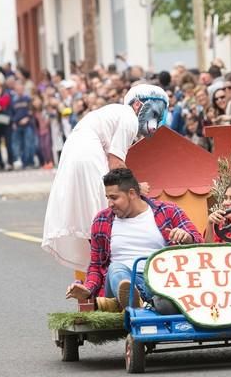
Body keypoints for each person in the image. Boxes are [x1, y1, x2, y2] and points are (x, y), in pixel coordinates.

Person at [42, 84, 168, 270]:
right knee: (106, 215)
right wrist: (136, 187)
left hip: (74, 153)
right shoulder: (129, 119)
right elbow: (116, 162)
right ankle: (107, 272)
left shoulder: (115, 113)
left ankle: (99, 272)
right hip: (88, 154)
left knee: (92, 219)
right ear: (138, 105)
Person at [64, 168, 203, 311]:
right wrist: (88, 289)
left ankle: (143, 304)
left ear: (131, 194)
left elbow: (199, 242)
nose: (110, 203)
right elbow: (96, 265)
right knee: (116, 269)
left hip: (160, 280)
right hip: (119, 281)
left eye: (114, 197)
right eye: (108, 198)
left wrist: (187, 237)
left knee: (164, 296)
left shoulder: (168, 211)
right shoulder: (102, 220)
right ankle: (134, 300)